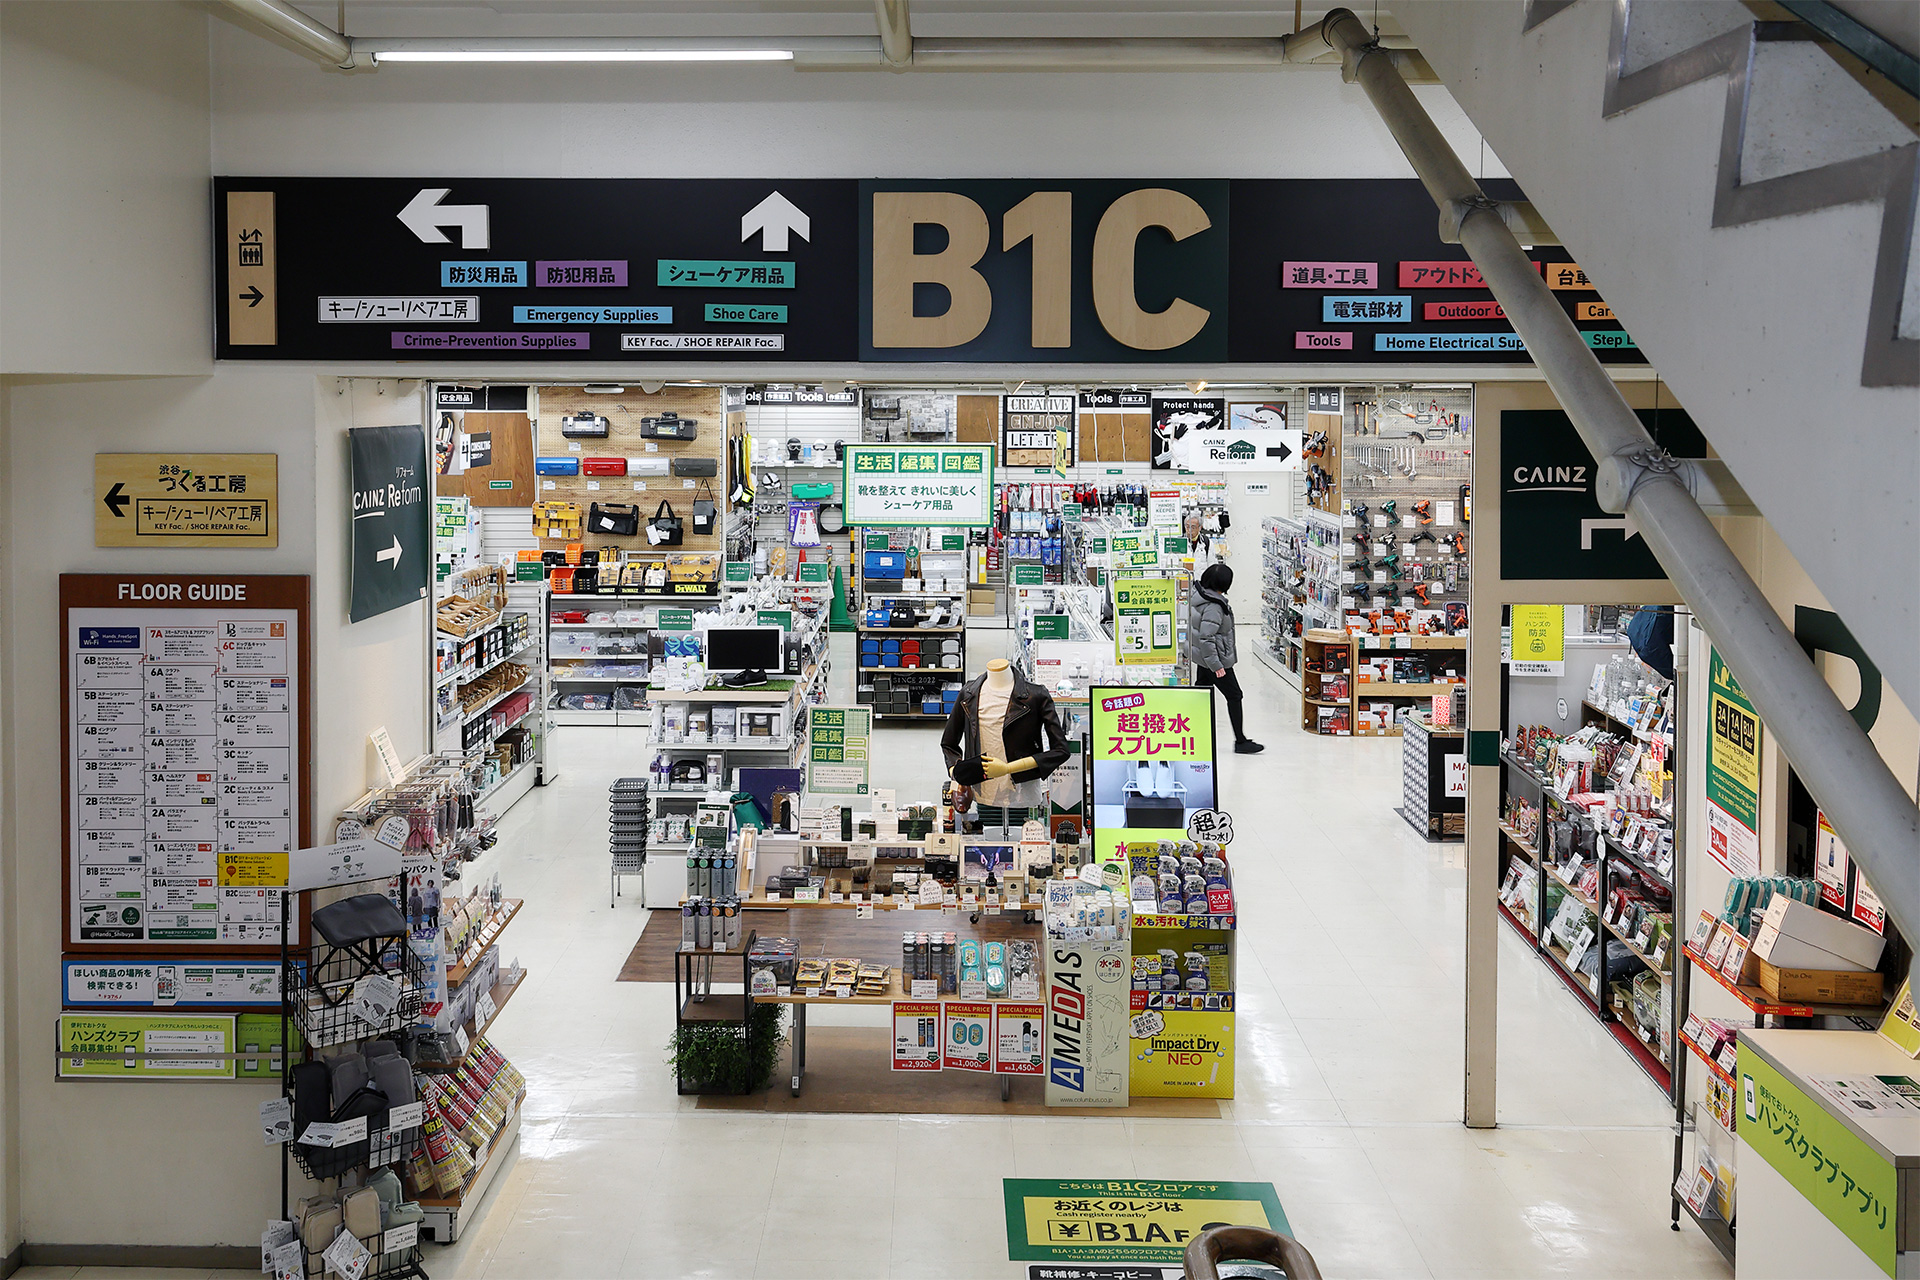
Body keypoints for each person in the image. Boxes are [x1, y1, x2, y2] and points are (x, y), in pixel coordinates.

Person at [1191, 562, 1263, 754]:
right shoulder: (1214, 606)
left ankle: (1196, 736)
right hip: (1215, 659)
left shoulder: (1199, 596)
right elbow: (1207, 637)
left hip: (1203, 658)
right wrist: (1216, 665)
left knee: (1201, 694)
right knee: (1234, 695)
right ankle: (1240, 741)